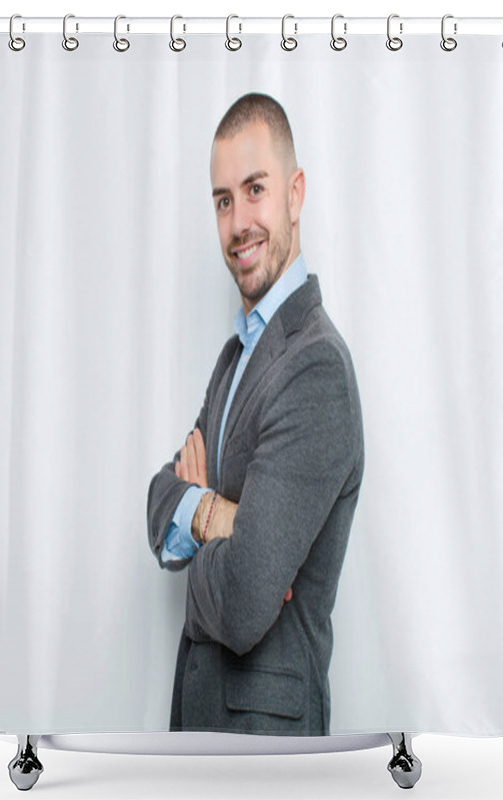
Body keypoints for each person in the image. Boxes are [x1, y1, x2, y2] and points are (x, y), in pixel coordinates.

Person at [146, 92, 364, 736]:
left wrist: (218, 529)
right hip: (203, 728)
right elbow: (160, 504)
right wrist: (218, 513)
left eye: (255, 189)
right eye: (222, 200)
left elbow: (244, 603)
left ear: (295, 194)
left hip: (264, 741)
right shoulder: (234, 356)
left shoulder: (315, 368)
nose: (239, 221)